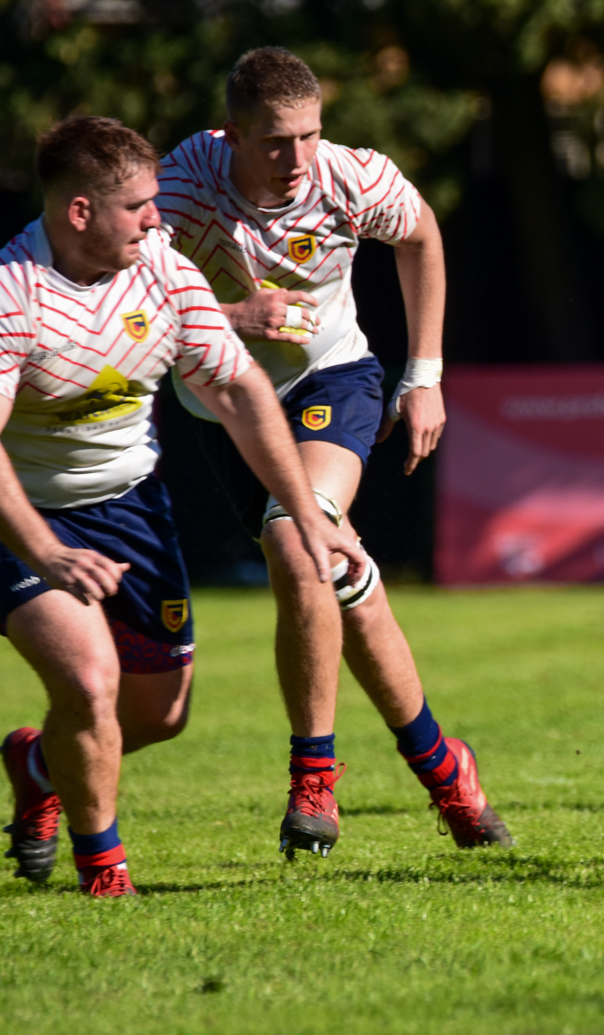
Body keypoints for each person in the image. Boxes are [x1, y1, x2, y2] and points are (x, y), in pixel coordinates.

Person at [154, 48, 510, 858]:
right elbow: (129, 297)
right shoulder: (180, 185)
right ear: (231, 133)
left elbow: (421, 235)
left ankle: (313, 775)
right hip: (224, 408)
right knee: (339, 572)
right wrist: (235, 317)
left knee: (300, 536)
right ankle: (443, 764)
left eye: (310, 135)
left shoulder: (350, 174)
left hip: (333, 377)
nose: (297, 160)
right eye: (277, 142)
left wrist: (425, 375)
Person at [0, 116, 365, 896]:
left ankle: (38, 763)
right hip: (22, 517)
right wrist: (45, 550)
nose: (157, 217)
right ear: (79, 214)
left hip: (131, 508)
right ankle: (105, 871)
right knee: (91, 681)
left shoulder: (162, 271)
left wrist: (310, 516)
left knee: (161, 715)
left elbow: (238, 390)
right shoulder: (12, 292)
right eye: (137, 206)